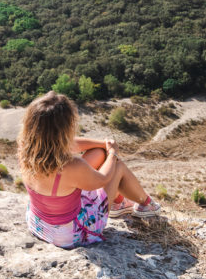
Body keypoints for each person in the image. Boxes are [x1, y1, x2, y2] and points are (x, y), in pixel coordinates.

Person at [18, 91, 161, 248]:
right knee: (117, 166)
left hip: (40, 223)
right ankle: (145, 204)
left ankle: (119, 204)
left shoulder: (26, 149)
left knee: (98, 153)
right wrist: (112, 153)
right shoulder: (72, 166)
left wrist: (103, 145)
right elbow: (103, 179)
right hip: (69, 233)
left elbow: (71, 144)